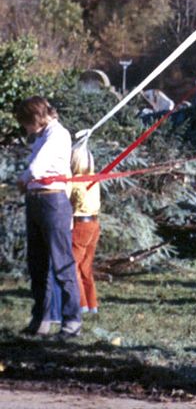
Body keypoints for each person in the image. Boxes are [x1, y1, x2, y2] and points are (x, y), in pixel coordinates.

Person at [15, 96, 81, 339]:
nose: (26, 129)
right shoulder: (42, 136)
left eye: (26, 123)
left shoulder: (58, 134)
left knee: (62, 263)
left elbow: (38, 166)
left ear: (36, 117)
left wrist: (24, 179)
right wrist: (25, 179)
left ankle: (71, 321)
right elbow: (33, 164)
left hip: (52, 202)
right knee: (37, 264)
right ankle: (41, 319)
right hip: (36, 201)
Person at [69, 136, 101, 316]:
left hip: (81, 225)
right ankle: (92, 304)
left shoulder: (74, 181)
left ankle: (81, 304)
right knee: (86, 266)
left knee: (72, 265)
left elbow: (70, 200)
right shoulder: (95, 179)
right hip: (95, 224)